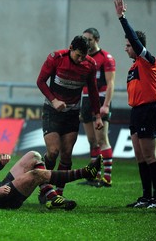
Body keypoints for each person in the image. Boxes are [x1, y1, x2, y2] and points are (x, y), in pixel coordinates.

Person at [36, 35, 104, 205]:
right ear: (71, 48)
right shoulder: (56, 58)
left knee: (66, 154)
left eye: (84, 56)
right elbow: (41, 81)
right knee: (53, 152)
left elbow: (94, 91)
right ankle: (45, 186)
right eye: (78, 55)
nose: (81, 59)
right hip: (52, 111)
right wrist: (54, 100)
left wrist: (97, 115)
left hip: (72, 113)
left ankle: (58, 193)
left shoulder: (90, 65)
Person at [0, 147, 102, 208]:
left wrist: (1, 163)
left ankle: (51, 197)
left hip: (1, 186)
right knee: (36, 175)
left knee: (34, 156)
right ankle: (86, 172)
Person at [114, 0, 156, 209]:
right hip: (137, 112)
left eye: (128, 45)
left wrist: (122, 18)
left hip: (149, 110)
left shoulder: (148, 61)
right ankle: (146, 197)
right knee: (140, 156)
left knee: (150, 155)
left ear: (136, 45)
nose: (126, 48)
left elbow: (133, 39)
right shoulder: (133, 68)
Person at [79, 28, 116, 187]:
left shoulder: (106, 58)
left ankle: (107, 178)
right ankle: (94, 176)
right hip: (86, 100)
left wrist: (106, 105)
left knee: (102, 140)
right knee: (92, 140)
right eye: (84, 39)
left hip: (100, 99)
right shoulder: (83, 58)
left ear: (97, 40)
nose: (87, 42)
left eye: (89, 39)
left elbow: (110, 83)